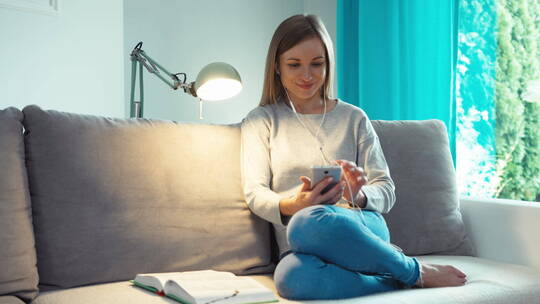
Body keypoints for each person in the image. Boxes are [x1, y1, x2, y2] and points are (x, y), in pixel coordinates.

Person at [240, 14, 467, 300]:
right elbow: (255, 193)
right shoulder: (261, 121)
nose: (306, 75)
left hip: (360, 226)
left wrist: (357, 195)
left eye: (317, 64)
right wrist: (293, 204)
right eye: (294, 65)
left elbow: (386, 190)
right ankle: (397, 278)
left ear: (328, 64)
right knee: (291, 278)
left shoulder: (353, 118)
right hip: (302, 242)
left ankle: (413, 271)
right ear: (276, 66)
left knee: (308, 220)